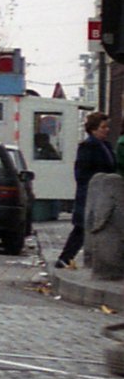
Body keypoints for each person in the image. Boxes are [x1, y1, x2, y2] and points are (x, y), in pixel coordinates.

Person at [57, 112, 115, 269]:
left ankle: (70, 258)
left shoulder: (106, 146)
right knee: (82, 228)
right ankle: (65, 258)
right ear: (93, 129)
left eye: (107, 126)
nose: (107, 130)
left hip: (103, 195)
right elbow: (82, 173)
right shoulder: (88, 147)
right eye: (103, 127)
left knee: (89, 228)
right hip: (90, 195)